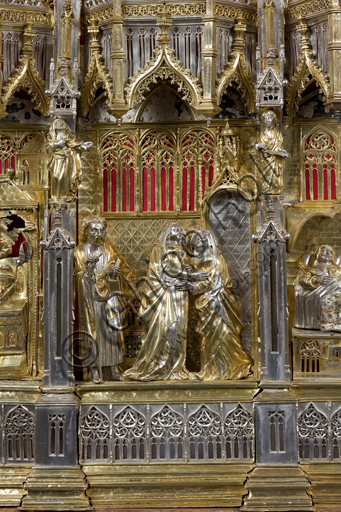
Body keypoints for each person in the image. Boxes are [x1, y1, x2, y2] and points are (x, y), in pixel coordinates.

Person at [123, 223, 208, 381]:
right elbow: (163, 269)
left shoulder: (182, 250)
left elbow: (180, 267)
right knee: (167, 328)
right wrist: (189, 276)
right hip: (164, 296)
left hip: (180, 296)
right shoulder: (159, 248)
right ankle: (159, 365)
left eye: (179, 229)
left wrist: (188, 271)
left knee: (179, 330)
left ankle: (177, 367)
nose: (177, 231)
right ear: (167, 232)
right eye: (174, 228)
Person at [183, 230, 253, 380]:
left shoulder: (215, 260)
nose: (198, 246)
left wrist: (193, 286)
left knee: (224, 335)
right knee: (208, 338)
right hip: (208, 304)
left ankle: (236, 364)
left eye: (201, 243)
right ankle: (212, 368)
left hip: (219, 304)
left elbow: (211, 283)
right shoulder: (200, 261)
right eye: (195, 244)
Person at [74, 215, 132, 383]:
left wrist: (115, 273)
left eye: (102, 230)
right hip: (90, 298)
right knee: (94, 333)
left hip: (109, 297)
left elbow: (120, 268)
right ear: (86, 231)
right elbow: (78, 277)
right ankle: (94, 370)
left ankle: (113, 367)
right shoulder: (79, 251)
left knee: (112, 331)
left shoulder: (108, 248)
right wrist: (88, 269)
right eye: (94, 230)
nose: (98, 234)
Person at [295, 244, 341, 331]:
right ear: (317, 254)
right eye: (324, 251)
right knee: (323, 299)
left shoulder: (338, 269)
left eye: (330, 252)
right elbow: (303, 280)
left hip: (337, 289)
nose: (328, 253)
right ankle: (325, 324)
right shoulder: (311, 269)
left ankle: (336, 325)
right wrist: (315, 279)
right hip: (320, 291)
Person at [47, 117, 94, 202]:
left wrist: (83, 145)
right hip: (56, 161)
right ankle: (56, 197)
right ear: (55, 131)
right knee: (57, 177)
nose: (62, 133)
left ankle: (66, 196)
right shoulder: (50, 138)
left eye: (64, 130)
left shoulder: (68, 136)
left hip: (67, 161)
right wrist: (57, 144)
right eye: (59, 131)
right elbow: (47, 149)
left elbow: (75, 143)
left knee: (66, 179)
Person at [256, 108, 288, 194]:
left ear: (275, 120)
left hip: (276, 160)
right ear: (262, 121)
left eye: (270, 118)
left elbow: (280, 145)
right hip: (265, 160)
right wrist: (258, 146)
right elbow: (254, 146)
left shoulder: (278, 133)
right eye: (265, 118)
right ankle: (265, 190)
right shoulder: (260, 134)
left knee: (275, 177)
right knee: (265, 177)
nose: (268, 120)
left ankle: (276, 190)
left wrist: (281, 151)